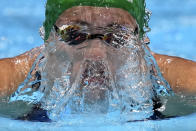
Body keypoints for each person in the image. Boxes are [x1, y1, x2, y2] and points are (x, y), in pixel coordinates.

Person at [0, 0, 195, 120]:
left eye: (118, 36)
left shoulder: (175, 82)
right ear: (48, 39)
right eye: (75, 34)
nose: (96, 55)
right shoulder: (13, 81)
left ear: (141, 43)